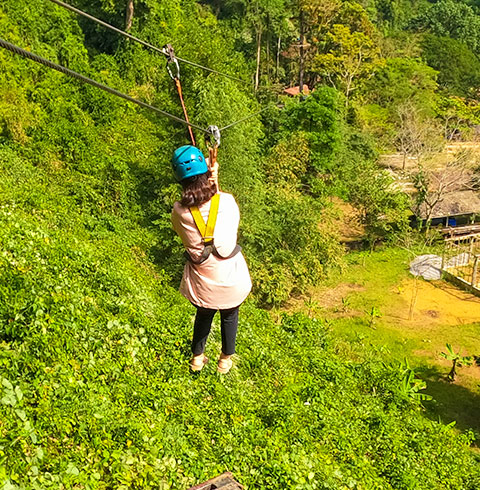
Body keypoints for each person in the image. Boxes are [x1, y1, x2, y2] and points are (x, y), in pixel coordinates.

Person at [171, 145, 252, 373]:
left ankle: (197, 358)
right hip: (231, 279)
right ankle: (225, 360)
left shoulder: (179, 211)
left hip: (203, 282)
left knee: (204, 313)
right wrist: (213, 176)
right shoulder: (226, 201)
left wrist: (209, 176)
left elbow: (185, 224)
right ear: (204, 174)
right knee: (230, 314)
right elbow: (222, 213)